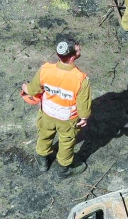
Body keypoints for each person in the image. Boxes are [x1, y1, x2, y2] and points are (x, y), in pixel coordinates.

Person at [21, 36, 91, 178]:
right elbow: (83, 104)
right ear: (72, 57)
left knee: (45, 135)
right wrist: (84, 117)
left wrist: (25, 87)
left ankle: (43, 161)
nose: (80, 47)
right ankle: (64, 169)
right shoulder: (80, 79)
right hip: (67, 119)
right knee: (66, 142)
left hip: (47, 113)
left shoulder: (45, 69)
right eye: (78, 47)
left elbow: (34, 90)